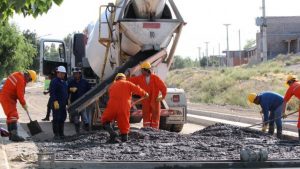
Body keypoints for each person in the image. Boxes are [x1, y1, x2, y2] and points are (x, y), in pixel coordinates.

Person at [101, 73, 148, 143]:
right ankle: (124, 139)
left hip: (112, 106)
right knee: (124, 124)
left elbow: (110, 94)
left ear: (116, 79)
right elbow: (137, 89)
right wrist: (145, 93)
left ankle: (112, 133)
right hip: (124, 107)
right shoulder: (128, 83)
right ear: (124, 78)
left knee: (105, 120)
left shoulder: (112, 86)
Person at [0, 70, 37, 142]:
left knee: (10, 116)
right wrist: (24, 104)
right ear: (28, 76)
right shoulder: (21, 80)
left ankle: (11, 135)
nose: (28, 81)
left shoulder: (17, 74)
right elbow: (20, 95)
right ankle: (14, 135)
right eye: (29, 80)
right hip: (8, 98)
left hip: (7, 97)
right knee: (13, 115)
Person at [128, 61, 167, 129]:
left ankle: (154, 131)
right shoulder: (140, 78)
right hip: (146, 100)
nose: (141, 71)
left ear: (145, 70)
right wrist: (121, 79)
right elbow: (131, 80)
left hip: (155, 100)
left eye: (141, 70)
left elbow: (163, 88)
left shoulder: (155, 78)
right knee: (146, 115)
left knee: (155, 116)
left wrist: (162, 96)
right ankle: (146, 129)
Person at [68, 67, 91, 134]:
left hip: (83, 103)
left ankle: (87, 131)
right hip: (74, 103)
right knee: (76, 118)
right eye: (74, 74)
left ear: (80, 74)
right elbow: (67, 90)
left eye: (77, 74)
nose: (76, 75)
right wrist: (70, 89)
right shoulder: (71, 82)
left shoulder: (85, 82)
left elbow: (89, 91)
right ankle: (77, 132)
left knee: (84, 117)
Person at [50, 66, 68, 139]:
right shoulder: (54, 81)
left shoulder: (63, 82)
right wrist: (54, 101)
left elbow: (64, 91)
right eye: (62, 73)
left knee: (62, 118)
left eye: (64, 73)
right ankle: (56, 134)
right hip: (56, 103)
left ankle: (61, 133)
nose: (63, 75)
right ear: (58, 73)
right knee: (56, 118)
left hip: (63, 103)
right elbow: (52, 92)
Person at [282, 74, 300, 140]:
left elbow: (284, 101)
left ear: (290, 82)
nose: (288, 85)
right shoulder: (299, 83)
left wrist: (283, 113)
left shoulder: (291, 87)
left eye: (288, 84)